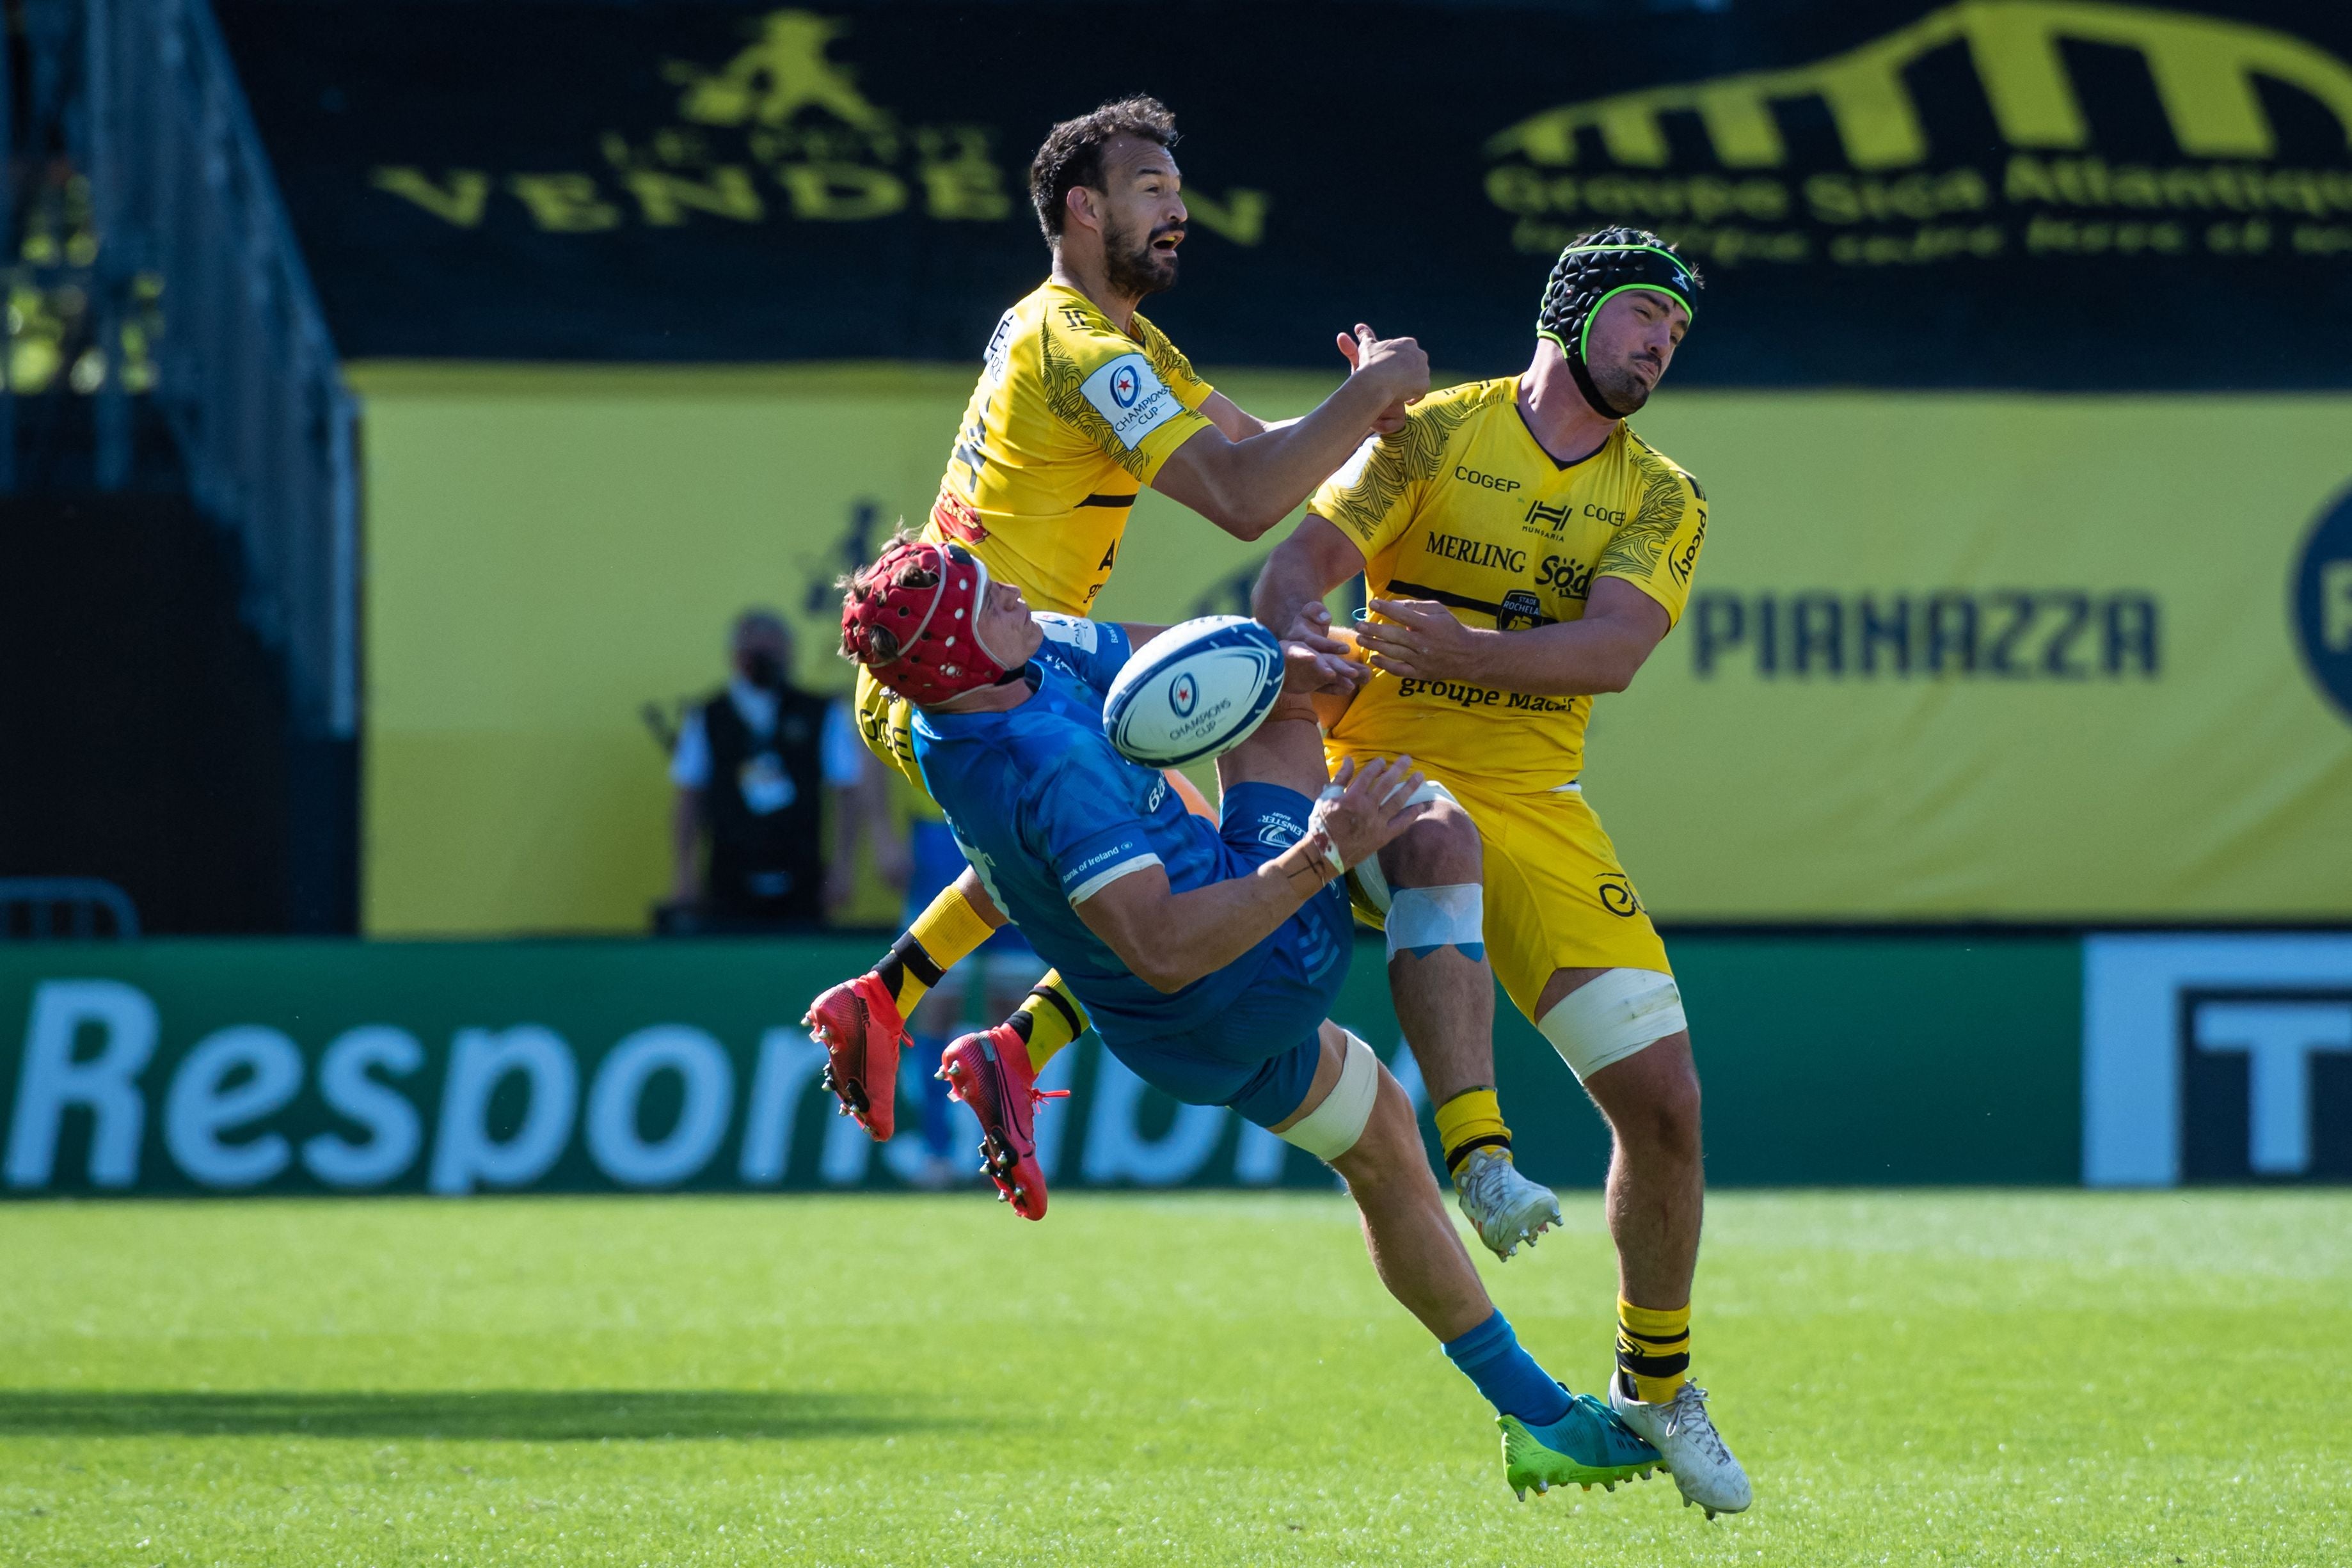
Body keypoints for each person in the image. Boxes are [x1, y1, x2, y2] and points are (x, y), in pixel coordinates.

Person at [806, 94, 1561, 1255]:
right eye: (1151, 190)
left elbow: (1267, 452)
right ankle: (929, 1012)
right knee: (1182, 820)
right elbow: (1244, 498)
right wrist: (1365, 401)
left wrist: (1368, 423)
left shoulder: (1114, 339)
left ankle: (949, 1020)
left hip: (1019, 653)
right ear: (1082, 208)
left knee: (1251, 706)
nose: (1179, 211)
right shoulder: (1081, 351)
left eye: (1177, 190)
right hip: (974, 662)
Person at [836, 534, 1665, 1501]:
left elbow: (1172, 659)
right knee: (1288, 714)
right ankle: (1478, 1143)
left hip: (1170, 1042)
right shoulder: (1051, 763)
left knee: (1379, 1148)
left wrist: (1292, 645)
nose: (1019, 594)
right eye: (994, 601)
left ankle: (1545, 1418)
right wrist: (1324, 850)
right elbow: (1167, 944)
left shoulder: (946, 716)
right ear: (963, 655)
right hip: (1255, 968)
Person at [1250, 227, 1749, 1517]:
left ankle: (1653, 1382)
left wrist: (1451, 644)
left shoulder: (1661, 493)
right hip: (1376, 766)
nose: (1658, 346)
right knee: (1431, 829)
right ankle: (1477, 1152)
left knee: (1668, 1101)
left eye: (1675, 335)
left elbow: (1607, 656)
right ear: (1573, 311)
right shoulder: (1428, 434)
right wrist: (1308, 639)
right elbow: (1289, 574)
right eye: (1642, 317)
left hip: (1540, 797)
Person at [667, 608, 895, 929]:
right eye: (756, 654)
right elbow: (689, 798)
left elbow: (847, 791)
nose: (765, 662)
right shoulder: (707, 716)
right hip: (727, 876)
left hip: (803, 874)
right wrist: (684, 872)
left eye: (774, 653)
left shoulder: (821, 712)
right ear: (736, 656)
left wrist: (843, 867)